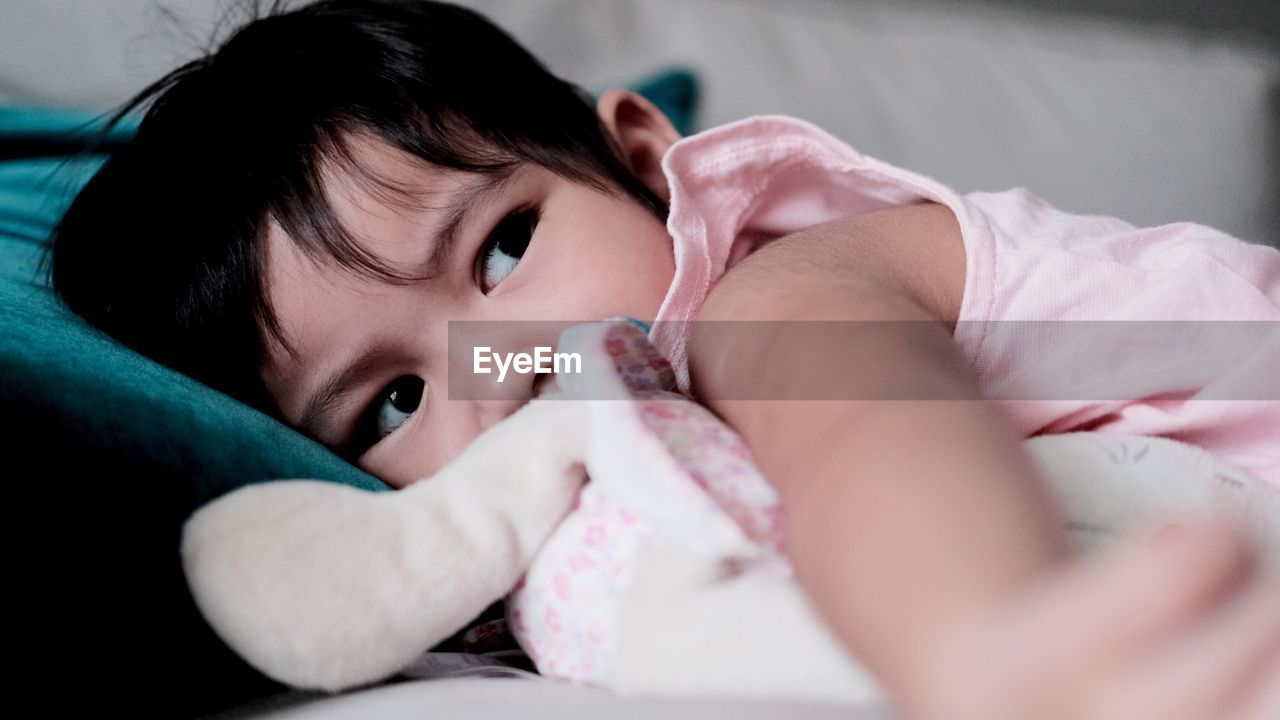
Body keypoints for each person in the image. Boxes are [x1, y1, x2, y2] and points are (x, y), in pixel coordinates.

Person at [47, 1, 1279, 718]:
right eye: (391, 404)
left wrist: (987, 651)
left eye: (501, 251)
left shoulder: (785, 286)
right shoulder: (559, 523)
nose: (502, 365)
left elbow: (862, 429)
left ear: (639, 163)